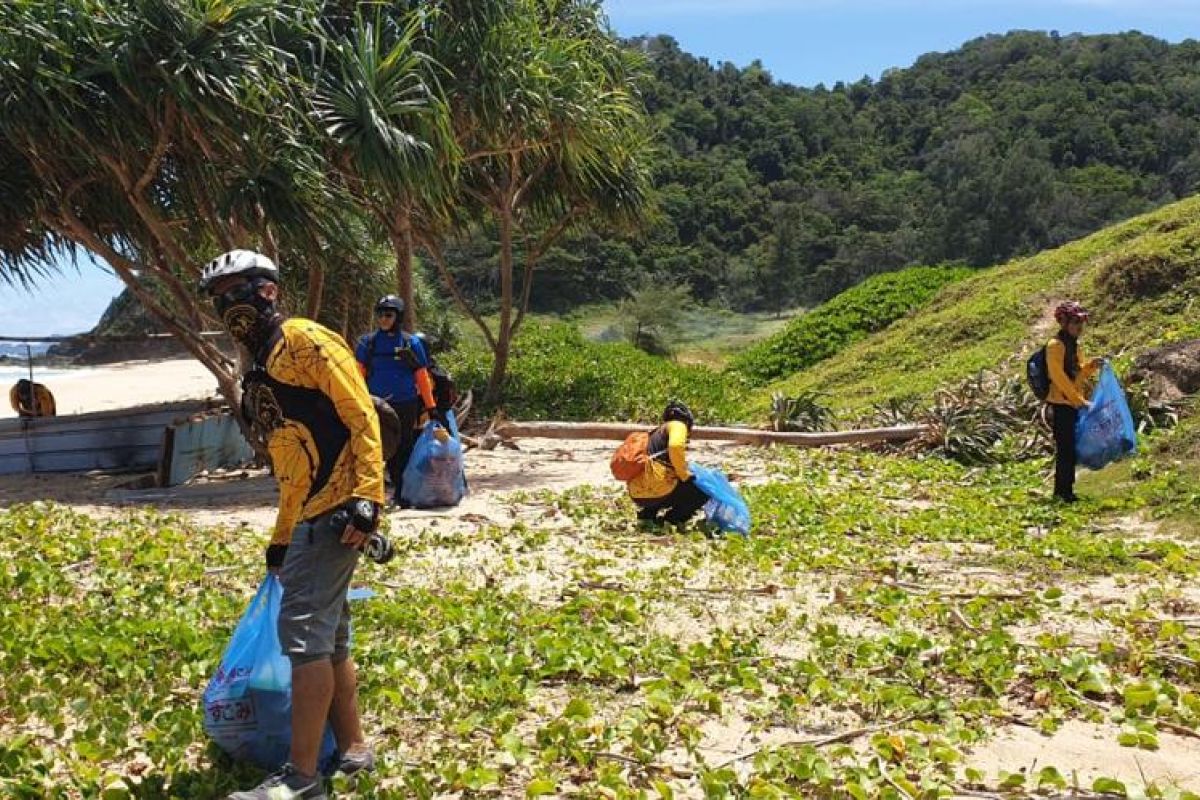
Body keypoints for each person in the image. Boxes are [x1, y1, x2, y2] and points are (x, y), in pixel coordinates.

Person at [199, 249, 384, 800]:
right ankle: (352, 750)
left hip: (335, 511)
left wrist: (370, 497)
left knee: (305, 642)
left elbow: (361, 415)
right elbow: (291, 464)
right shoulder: (258, 365)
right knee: (330, 639)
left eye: (241, 289)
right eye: (221, 296)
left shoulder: (305, 340)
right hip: (306, 514)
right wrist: (280, 538)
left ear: (270, 291)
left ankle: (302, 778)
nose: (232, 303)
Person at [355, 296, 444, 507]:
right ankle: (373, 495)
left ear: (398, 317)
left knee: (404, 447)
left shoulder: (410, 342)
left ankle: (402, 493)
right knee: (374, 448)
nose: (384, 319)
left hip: (406, 403)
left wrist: (431, 407)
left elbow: (421, 376)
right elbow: (357, 375)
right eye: (380, 314)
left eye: (389, 315)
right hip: (375, 404)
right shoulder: (367, 343)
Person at [1045, 301, 1103, 503]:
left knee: (1070, 447)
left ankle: (1067, 490)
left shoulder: (1074, 346)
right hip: (1061, 404)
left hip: (1073, 403)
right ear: (1064, 323)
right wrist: (1078, 400)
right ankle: (1062, 492)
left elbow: (1077, 374)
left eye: (1081, 322)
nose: (1080, 326)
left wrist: (1091, 367)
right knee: (1065, 449)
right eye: (1075, 322)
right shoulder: (1055, 346)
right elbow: (1058, 377)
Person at [627, 400, 709, 526]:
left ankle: (648, 515)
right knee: (703, 490)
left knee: (661, 478)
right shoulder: (678, 425)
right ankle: (671, 520)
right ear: (687, 421)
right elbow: (675, 446)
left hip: (637, 494)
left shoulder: (655, 433)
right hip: (658, 489)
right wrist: (684, 475)